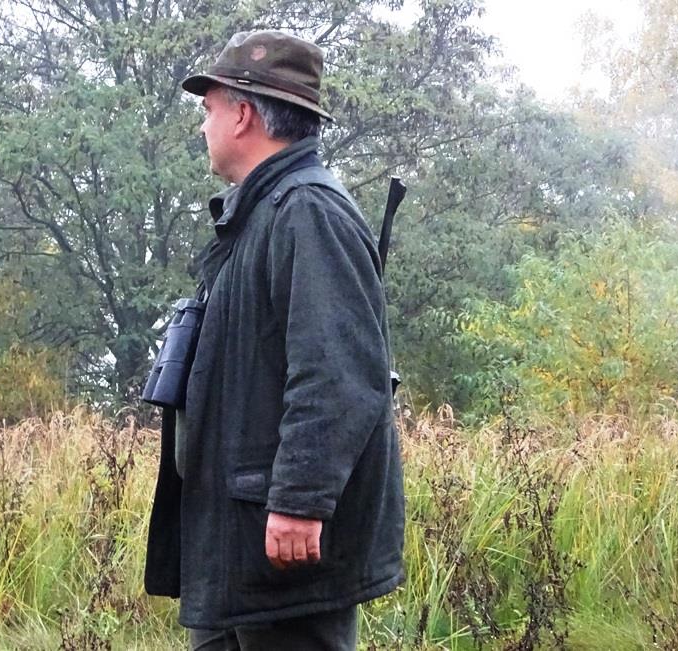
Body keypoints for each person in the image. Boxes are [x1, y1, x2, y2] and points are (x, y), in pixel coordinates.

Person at [144, 30, 405, 651]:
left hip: (280, 543)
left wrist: (300, 501)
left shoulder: (308, 212)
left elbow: (338, 374)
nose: (203, 124)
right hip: (237, 541)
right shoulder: (259, 215)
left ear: (243, 114)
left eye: (209, 108)